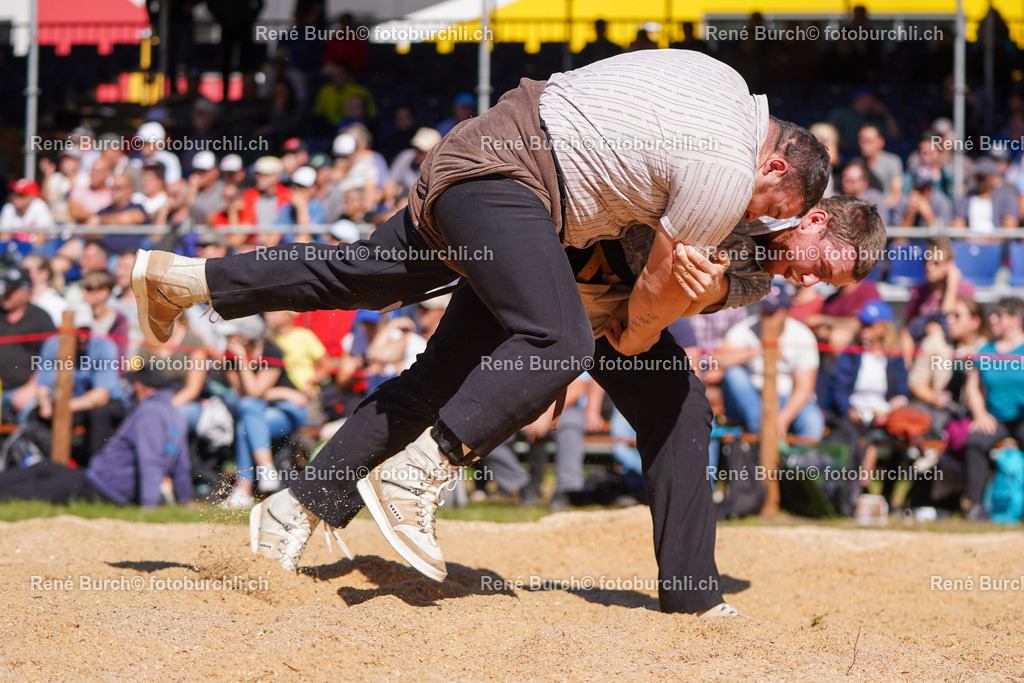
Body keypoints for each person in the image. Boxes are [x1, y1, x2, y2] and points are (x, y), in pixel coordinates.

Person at [134, 50, 836, 612]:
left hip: (530, 207)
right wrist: (641, 318)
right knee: (522, 353)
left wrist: (677, 298)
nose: (757, 217)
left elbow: (676, 276)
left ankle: (192, 288)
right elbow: (653, 293)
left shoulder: (722, 113)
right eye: (769, 207)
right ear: (786, 183)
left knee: (374, 276)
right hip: (524, 202)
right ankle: (414, 473)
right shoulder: (723, 160)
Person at [0, 366, 191, 507]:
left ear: (139, 386)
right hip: (99, 481)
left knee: (36, 486)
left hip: (104, 489)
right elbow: (181, 465)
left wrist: (148, 507)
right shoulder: (176, 414)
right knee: (45, 468)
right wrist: (184, 499)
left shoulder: (150, 412)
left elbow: (150, 460)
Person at [717, 284, 825, 441]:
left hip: (787, 397)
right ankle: (761, 428)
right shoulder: (745, 328)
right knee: (734, 374)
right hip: (753, 397)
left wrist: (784, 418)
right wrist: (760, 350)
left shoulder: (802, 335)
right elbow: (720, 358)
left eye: (773, 312)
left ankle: (802, 464)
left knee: (813, 422)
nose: (766, 315)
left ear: (786, 312)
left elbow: (804, 388)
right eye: (765, 309)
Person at [962, 297, 1024, 520]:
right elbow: (973, 387)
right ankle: (976, 506)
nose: (993, 319)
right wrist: (980, 414)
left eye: (1000, 315)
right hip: (995, 418)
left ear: (1016, 320)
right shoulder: (986, 350)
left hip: (1022, 418)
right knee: (974, 442)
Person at [0, 267, 55, 421]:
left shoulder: (41, 318)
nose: (7, 293)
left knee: (30, 410)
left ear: (26, 294)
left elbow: (52, 359)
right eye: (7, 288)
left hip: (26, 391)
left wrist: (31, 388)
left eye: (13, 289)